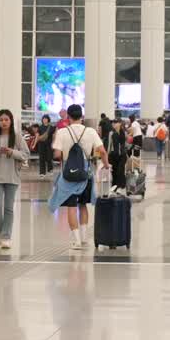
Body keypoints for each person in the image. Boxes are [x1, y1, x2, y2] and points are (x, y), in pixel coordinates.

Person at [49, 104, 108, 250]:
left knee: (71, 207)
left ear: (68, 117)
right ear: (82, 116)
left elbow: (57, 155)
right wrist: (106, 165)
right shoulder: (91, 131)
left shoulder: (62, 132)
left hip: (68, 175)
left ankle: (76, 241)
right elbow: (102, 151)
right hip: (85, 175)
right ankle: (84, 238)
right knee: (83, 206)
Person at [0, 109, 29, 249]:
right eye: (1, 120)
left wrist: (12, 152)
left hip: (12, 177)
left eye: (6, 120)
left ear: (11, 121)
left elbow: (26, 154)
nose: (4, 122)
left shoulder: (17, 137)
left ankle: (6, 236)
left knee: (9, 208)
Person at [103, 118, 129, 195]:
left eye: (115, 122)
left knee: (120, 171)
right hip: (113, 155)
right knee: (114, 172)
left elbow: (124, 144)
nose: (114, 124)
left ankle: (120, 187)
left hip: (122, 155)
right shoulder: (111, 133)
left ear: (120, 123)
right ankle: (115, 187)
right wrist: (106, 156)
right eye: (113, 123)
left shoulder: (123, 132)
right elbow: (108, 146)